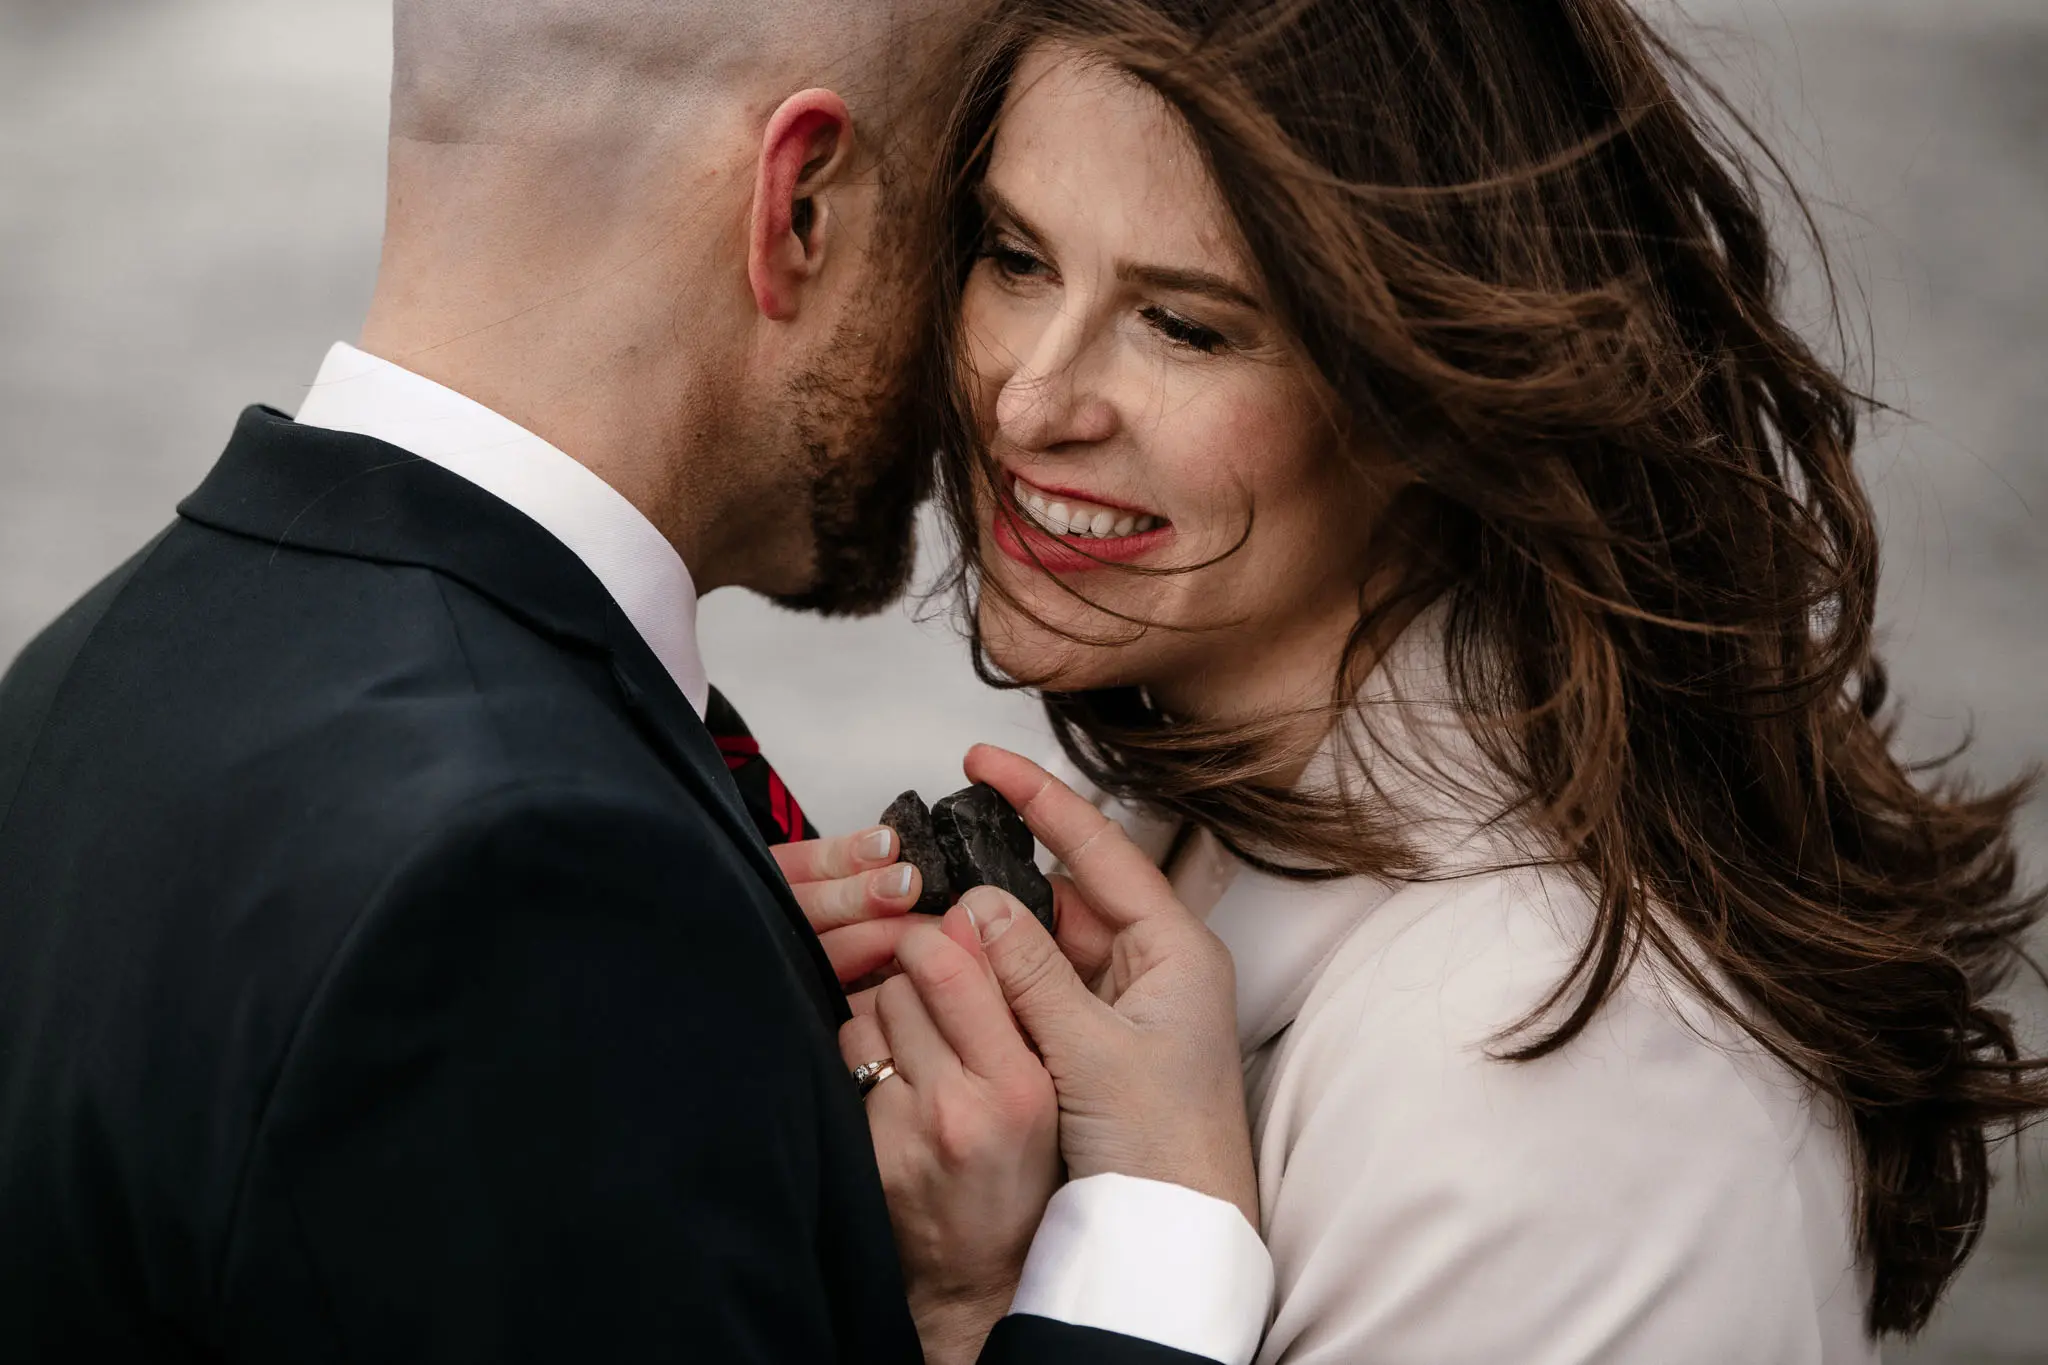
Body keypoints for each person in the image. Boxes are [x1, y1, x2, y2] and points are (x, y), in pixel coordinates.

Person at [0, 3, 1274, 1362]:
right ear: (800, 206)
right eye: (982, 240)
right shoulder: (531, 893)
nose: (1008, 384)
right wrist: (1144, 1240)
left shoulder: (83, 676)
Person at [842, 2, 2048, 1361]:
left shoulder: (1556, 1080)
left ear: (1433, 378)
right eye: (1014, 257)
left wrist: (972, 1313)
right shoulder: (1214, 840)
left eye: (1184, 326)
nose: (1024, 402)